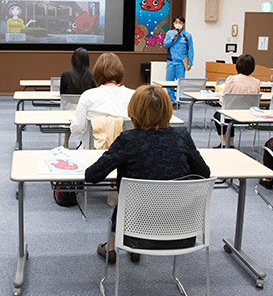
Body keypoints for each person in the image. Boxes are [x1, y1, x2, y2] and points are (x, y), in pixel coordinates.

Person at [85, 84, 211, 264]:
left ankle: (110, 249)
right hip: (181, 232)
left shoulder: (128, 140)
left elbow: (92, 175)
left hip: (134, 233)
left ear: (133, 111)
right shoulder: (182, 136)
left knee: (125, 200)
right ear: (168, 111)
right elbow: (204, 173)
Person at [70, 53, 134, 147]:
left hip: (93, 152)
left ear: (97, 73)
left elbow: (77, 129)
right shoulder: (134, 96)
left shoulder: (88, 95)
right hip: (125, 152)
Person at [213, 54, 261, 148]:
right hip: (249, 116)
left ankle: (225, 143)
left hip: (231, 115)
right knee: (229, 116)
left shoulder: (232, 79)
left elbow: (224, 102)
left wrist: (220, 95)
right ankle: (230, 144)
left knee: (219, 115)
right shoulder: (257, 82)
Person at [163, 15, 194, 102]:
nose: (178, 24)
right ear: (173, 23)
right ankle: (171, 100)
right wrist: (173, 38)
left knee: (180, 83)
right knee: (169, 82)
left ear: (183, 24)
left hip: (181, 63)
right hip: (171, 61)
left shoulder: (187, 36)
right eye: (176, 22)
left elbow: (190, 50)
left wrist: (190, 63)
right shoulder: (169, 33)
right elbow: (165, 45)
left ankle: (178, 100)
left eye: (180, 22)